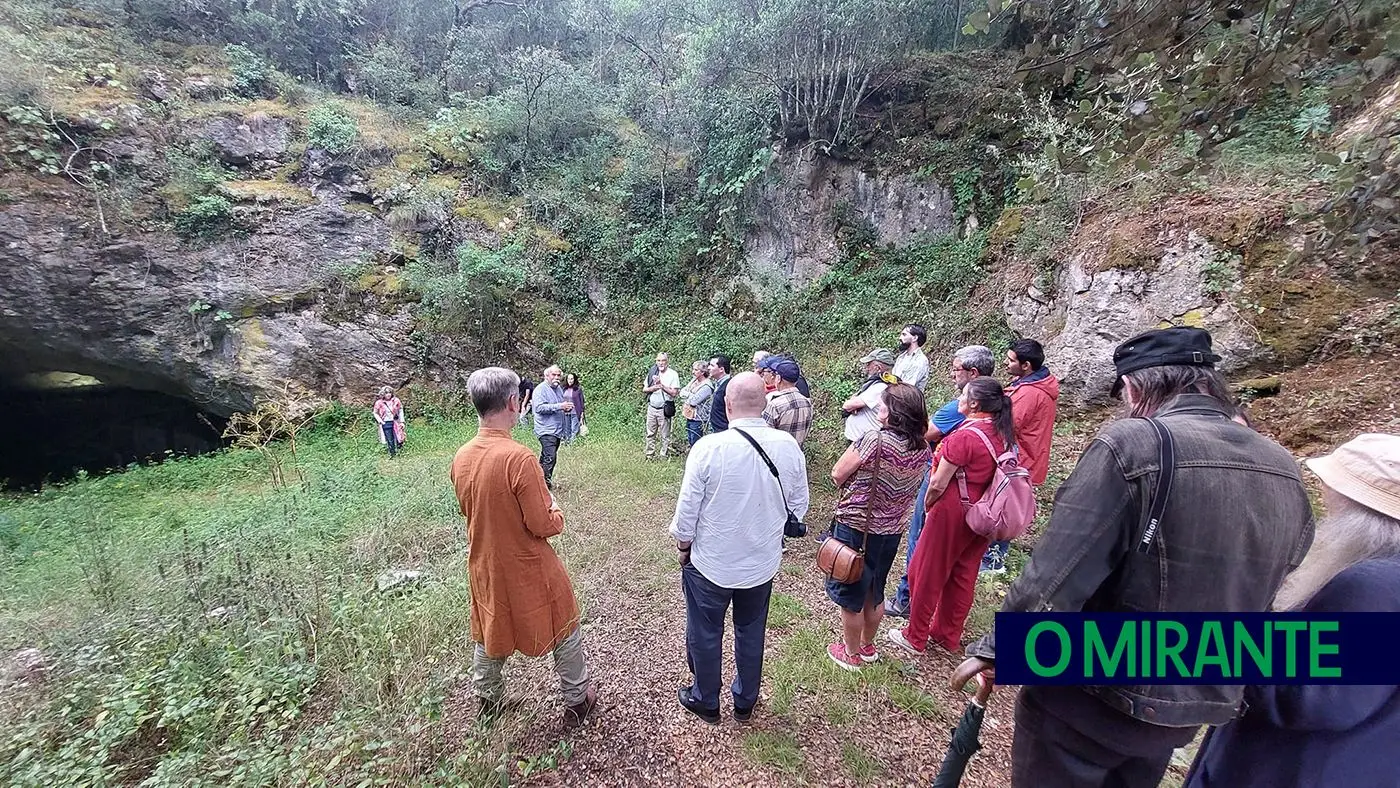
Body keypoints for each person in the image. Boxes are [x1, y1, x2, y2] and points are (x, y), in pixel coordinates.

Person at [949, 327, 1315, 788]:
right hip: (1194, 699)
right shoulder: (1283, 466)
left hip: (1092, 690)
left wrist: (1003, 647)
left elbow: (1059, 571)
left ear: (1137, 386)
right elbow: (1286, 572)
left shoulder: (1135, 445)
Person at [1185, 433, 1400, 788]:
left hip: (1299, 769)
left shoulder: (1373, 585)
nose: (1326, 499)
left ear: (1361, 510)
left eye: (1333, 491)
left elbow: (1318, 693)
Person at [450, 366, 597, 729]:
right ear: (514, 403)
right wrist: (557, 511)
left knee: (490, 625)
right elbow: (542, 524)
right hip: (528, 563)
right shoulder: (519, 458)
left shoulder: (461, 456)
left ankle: (488, 700)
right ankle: (577, 701)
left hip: (484, 562)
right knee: (564, 621)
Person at [670, 372, 809, 724]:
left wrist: (684, 548)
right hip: (761, 563)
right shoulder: (788, 446)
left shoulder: (708, 448)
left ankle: (706, 698)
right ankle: (745, 701)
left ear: (728, 406)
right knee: (751, 631)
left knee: (704, 631)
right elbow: (799, 505)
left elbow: (687, 513)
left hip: (711, 563)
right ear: (765, 403)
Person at [886, 377, 1012, 657]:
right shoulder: (1003, 433)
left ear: (975, 404)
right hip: (985, 513)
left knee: (925, 571)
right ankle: (947, 634)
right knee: (963, 574)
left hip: (953, 510)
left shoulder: (965, 436)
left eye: (963, 396)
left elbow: (938, 483)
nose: (959, 400)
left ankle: (915, 635)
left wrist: (929, 506)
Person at [825, 383, 931, 670]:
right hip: (892, 528)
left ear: (894, 413)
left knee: (851, 592)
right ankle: (868, 646)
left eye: (883, 405)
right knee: (875, 588)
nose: (879, 410)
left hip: (858, 525)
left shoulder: (875, 440)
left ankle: (850, 652)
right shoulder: (923, 445)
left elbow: (837, 473)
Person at [887, 345, 995, 618]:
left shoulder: (961, 416)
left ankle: (907, 601)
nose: (951, 375)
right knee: (961, 565)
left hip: (946, 485)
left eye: (955, 369)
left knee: (920, 544)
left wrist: (929, 501)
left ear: (973, 373)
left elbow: (930, 433)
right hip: (977, 495)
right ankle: (943, 621)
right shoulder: (997, 408)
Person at [981, 338, 1060, 575]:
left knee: (1005, 506)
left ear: (1026, 365)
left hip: (1020, 460)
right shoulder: (1029, 385)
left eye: (1011, 360)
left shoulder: (1030, 394)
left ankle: (993, 561)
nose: (1006, 362)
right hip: (1024, 456)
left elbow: (1006, 425)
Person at [531, 365, 573, 489]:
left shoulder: (559, 389)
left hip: (557, 431)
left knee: (546, 457)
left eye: (558, 375)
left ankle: (537, 482)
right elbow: (539, 408)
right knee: (550, 457)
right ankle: (545, 486)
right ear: (546, 376)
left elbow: (560, 406)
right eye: (553, 375)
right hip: (545, 430)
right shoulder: (540, 390)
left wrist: (566, 408)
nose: (556, 377)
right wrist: (560, 406)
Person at [842, 348, 896, 443]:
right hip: (863, 438)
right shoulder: (881, 383)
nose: (867, 367)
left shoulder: (880, 387)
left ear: (878, 367)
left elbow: (847, 405)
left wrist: (852, 404)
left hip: (862, 441)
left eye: (869, 364)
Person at [759, 356, 813, 446]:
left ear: (779, 378)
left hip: (776, 456)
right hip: (797, 454)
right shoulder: (807, 402)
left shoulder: (775, 405)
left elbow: (764, 435)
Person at [643, 352, 681, 458]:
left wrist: (661, 385)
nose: (661, 363)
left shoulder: (673, 374)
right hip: (652, 407)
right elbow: (644, 389)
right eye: (658, 360)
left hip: (664, 409)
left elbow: (674, 393)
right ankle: (650, 455)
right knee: (650, 433)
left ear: (667, 361)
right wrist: (653, 388)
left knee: (665, 435)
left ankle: (663, 455)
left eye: (663, 360)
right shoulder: (652, 372)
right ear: (656, 361)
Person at [680, 361, 714, 449]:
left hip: (700, 418)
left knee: (697, 443)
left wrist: (688, 395)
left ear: (702, 372)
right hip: (690, 416)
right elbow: (681, 393)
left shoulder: (707, 386)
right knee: (691, 440)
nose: (693, 372)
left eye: (696, 370)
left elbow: (693, 401)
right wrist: (691, 395)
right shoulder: (694, 381)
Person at [893, 324, 930, 391]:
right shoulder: (901, 357)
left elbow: (908, 387)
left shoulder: (920, 360)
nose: (900, 338)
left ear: (915, 338)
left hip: (908, 399)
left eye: (904, 335)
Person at [373, 386, 405, 457]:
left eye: (390, 392)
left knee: (399, 437)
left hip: (395, 421)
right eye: (386, 393)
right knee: (389, 439)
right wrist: (380, 421)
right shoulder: (379, 402)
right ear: (383, 394)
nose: (388, 394)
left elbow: (400, 410)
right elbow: (375, 412)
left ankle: (401, 452)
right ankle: (392, 454)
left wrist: (402, 421)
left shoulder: (396, 400)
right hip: (386, 422)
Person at [708, 355, 733, 433]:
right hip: (717, 429)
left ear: (721, 369)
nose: (708, 368)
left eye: (712, 365)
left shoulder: (729, 386)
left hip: (724, 429)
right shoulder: (718, 384)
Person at [562, 373, 585, 441]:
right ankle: (567, 442)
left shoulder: (578, 389)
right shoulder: (563, 389)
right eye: (569, 379)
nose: (570, 380)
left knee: (574, 429)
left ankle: (572, 444)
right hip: (566, 412)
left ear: (574, 380)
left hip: (575, 412)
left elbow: (582, 401)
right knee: (567, 429)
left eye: (572, 379)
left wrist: (582, 412)